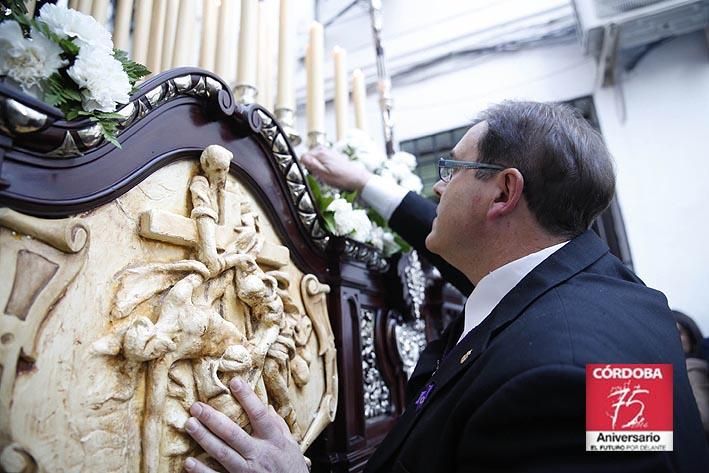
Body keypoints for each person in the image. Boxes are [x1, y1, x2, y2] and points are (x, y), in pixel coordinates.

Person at [181, 101, 709, 472]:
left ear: (503, 192)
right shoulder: (617, 300)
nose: (437, 184)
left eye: (452, 168)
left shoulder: (561, 381)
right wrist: (364, 184)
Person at [673, 310, 709, 435]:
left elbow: (703, 420)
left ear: (691, 334)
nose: (673, 338)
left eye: (678, 332)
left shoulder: (691, 367)